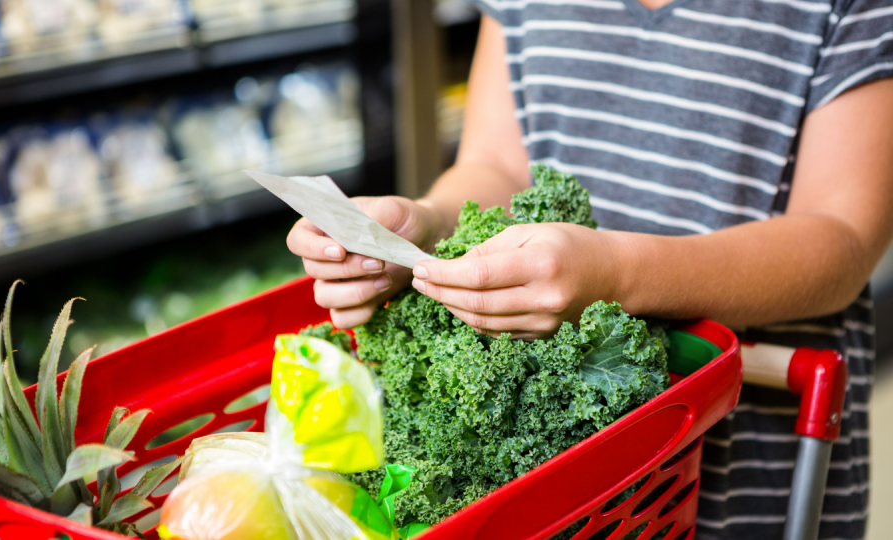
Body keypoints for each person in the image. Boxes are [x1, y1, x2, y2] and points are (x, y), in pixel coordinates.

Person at [287, 1, 893, 538]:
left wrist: (618, 277)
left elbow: (841, 239)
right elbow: (497, 164)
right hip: (567, 491)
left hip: (751, 466)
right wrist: (429, 221)